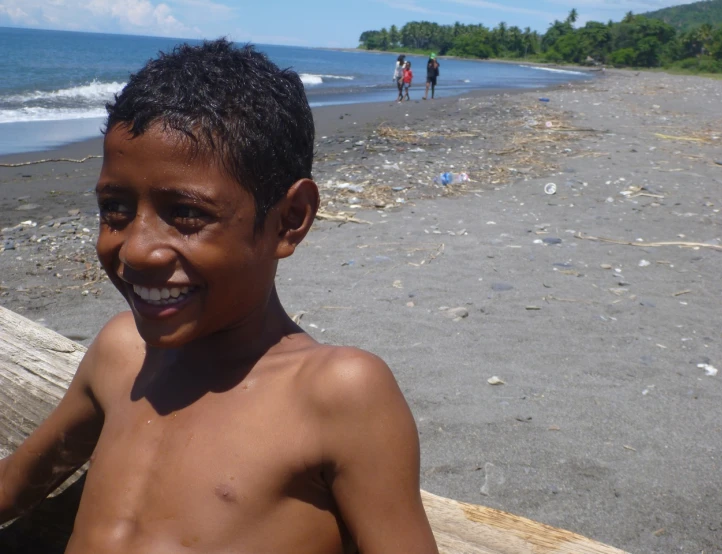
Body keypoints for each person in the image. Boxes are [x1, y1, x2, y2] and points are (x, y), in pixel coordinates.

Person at [0, 39, 438, 554]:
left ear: (290, 220)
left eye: (186, 214)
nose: (137, 250)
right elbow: (19, 483)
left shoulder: (335, 396)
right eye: (114, 207)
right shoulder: (121, 354)